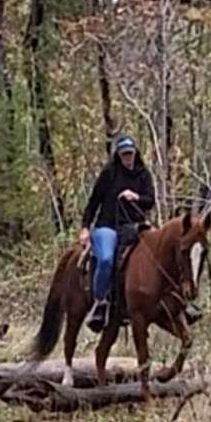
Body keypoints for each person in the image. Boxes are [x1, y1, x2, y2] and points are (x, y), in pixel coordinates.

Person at [79, 134, 156, 331]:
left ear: (135, 153)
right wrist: (85, 227)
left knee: (161, 253)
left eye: (130, 153)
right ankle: (100, 302)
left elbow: (150, 200)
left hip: (135, 225)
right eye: (124, 154)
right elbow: (94, 201)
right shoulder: (110, 173)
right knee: (106, 259)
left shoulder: (143, 175)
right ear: (118, 156)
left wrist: (135, 196)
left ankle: (165, 300)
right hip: (108, 225)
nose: (127, 158)